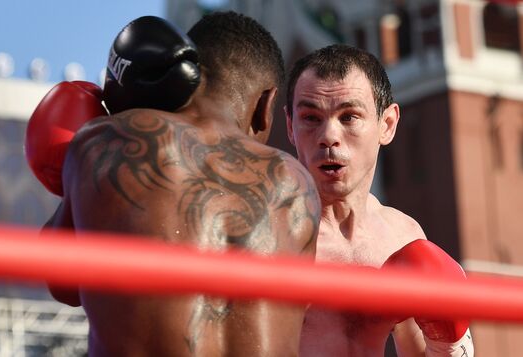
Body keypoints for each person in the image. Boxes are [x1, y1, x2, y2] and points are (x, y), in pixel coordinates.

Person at [27, 11, 321, 357]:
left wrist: (80, 161)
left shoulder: (109, 140)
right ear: (267, 104)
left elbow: (61, 283)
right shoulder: (298, 183)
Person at [284, 44, 474, 356]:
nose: (328, 135)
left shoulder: (401, 235)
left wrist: (451, 344)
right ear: (290, 127)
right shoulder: (271, 233)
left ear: (386, 125)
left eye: (349, 117)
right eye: (310, 117)